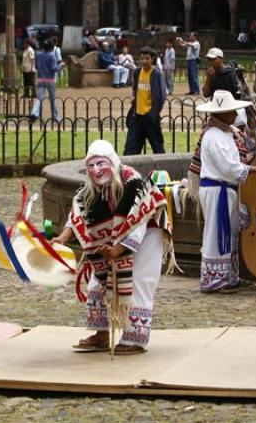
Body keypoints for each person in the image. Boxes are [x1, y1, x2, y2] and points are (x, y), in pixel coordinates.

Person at [53, 140, 174, 355]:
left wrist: (120, 249)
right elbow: (76, 217)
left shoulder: (132, 183)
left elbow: (138, 221)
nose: (96, 170)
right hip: (115, 238)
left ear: (112, 161)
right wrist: (62, 238)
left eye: (101, 163)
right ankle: (101, 334)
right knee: (97, 281)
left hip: (148, 230)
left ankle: (134, 338)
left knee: (140, 280)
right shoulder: (87, 192)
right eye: (90, 166)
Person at [194, 90, 256, 293]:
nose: (235, 114)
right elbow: (229, 168)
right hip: (218, 189)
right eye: (231, 111)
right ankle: (213, 280)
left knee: (230, 234)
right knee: (216, 235)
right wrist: (255, 169)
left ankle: (228, 276)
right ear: (222, 113)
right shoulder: (214, 136)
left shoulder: (226, 133)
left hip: (225, 190)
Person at [124, 46, 167, 155]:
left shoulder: (156, 74)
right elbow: (135, 89)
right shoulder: (137, 72)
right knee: (130, 150)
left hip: (150, 118)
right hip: (137, 117)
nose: (144, 61)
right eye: (142, 58)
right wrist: (134, 98)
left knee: (158, 149)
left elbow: (161, 96)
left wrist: (153, 114)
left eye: (147, 58)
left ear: (152, 59)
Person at [29, 39, 60, 123]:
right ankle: (55, 117)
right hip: (50, 80)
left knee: (39, 98)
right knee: (52, 98)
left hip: (40, 79)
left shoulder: (38, 55)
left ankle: (34, 113)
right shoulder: (52, 55)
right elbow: (53, 68)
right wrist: (60, 66)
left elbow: (36, 66)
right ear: (51, 47)